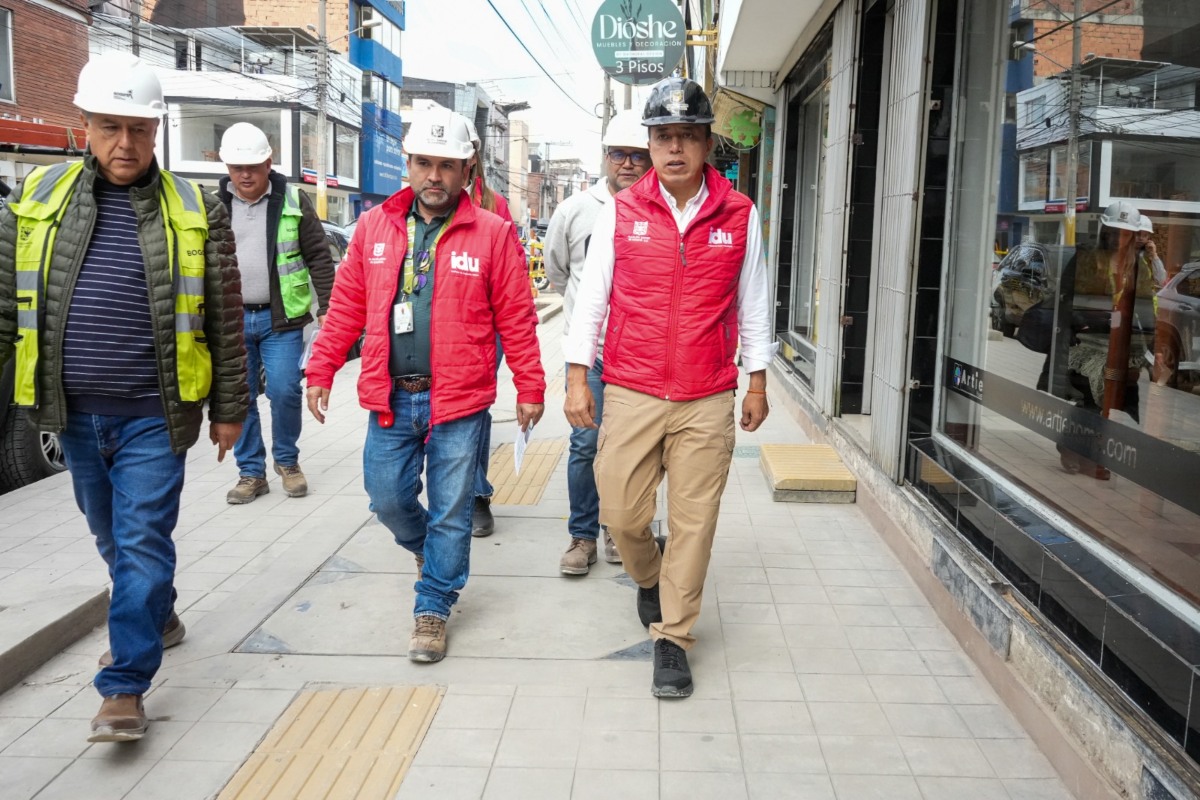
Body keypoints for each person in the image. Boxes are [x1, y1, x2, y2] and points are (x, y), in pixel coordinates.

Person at [0, 53, 247, 742]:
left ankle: (123, 686)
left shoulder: (196, 209)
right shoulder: (36, 201)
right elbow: (2, 308)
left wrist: (230, 408)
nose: (125, 145)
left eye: (139, 129)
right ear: (85, 126)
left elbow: (224, 320)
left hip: (153, 418)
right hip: (71, 416)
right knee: (113, 540)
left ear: (156, 129)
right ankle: (156, 615)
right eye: (110, 127)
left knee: (141, 541)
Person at [304, 108, 545, 663]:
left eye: (446, 165)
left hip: (459, 401)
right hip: (390, 397)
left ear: (467, 170)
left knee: (452, 510)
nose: (433, 175)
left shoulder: (493, 233)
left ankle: (433, 604)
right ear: (407, 165)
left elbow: (517, 316)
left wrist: (530, 386)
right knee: (386, 498)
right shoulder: (372, 229)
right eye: (423, 163)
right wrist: (320, 368)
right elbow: (345, 308)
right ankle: (429, 554)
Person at [563, 77, 773, 697]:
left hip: (707, 394)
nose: (674, 148)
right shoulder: (623, 212)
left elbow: (754, 304)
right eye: (663, 138)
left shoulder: (739, 214)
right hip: (629, 387)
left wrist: (756, 383)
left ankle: (674, 638)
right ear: (649, 146)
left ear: (708, 144)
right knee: (621, 514)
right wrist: (578, 379)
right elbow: (591, 303)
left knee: (695, 522)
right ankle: (648, 574)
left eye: (687, 136)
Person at [546, 111, 651, 574]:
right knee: (585, 444)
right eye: (618, 155)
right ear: (605, 158)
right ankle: (582, 536)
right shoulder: (574, 210)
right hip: (590, 355)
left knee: (631, 449)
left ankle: (619, 527)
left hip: (640, 355)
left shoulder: (658, 209)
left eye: (637, 156)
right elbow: (557, 273)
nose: (627, 164)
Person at [216, 122, 335, 504]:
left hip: (280, 318)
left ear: (269, 162)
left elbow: (319, 256)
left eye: (252, 165)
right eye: (237, 167)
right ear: (227, 167)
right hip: (231, 320)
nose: (245, 174)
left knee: (284, 389)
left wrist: (328, 308)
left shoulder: (293, 201)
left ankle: (287, 461)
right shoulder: (214, 205)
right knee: (241, 396)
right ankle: (251, 473)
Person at [462, 118, 527, 539]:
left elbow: (514, 271)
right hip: (433, 328)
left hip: (484, 330)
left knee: (474, 409)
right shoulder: (414, 203)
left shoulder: (493, 205)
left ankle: (475, 493)